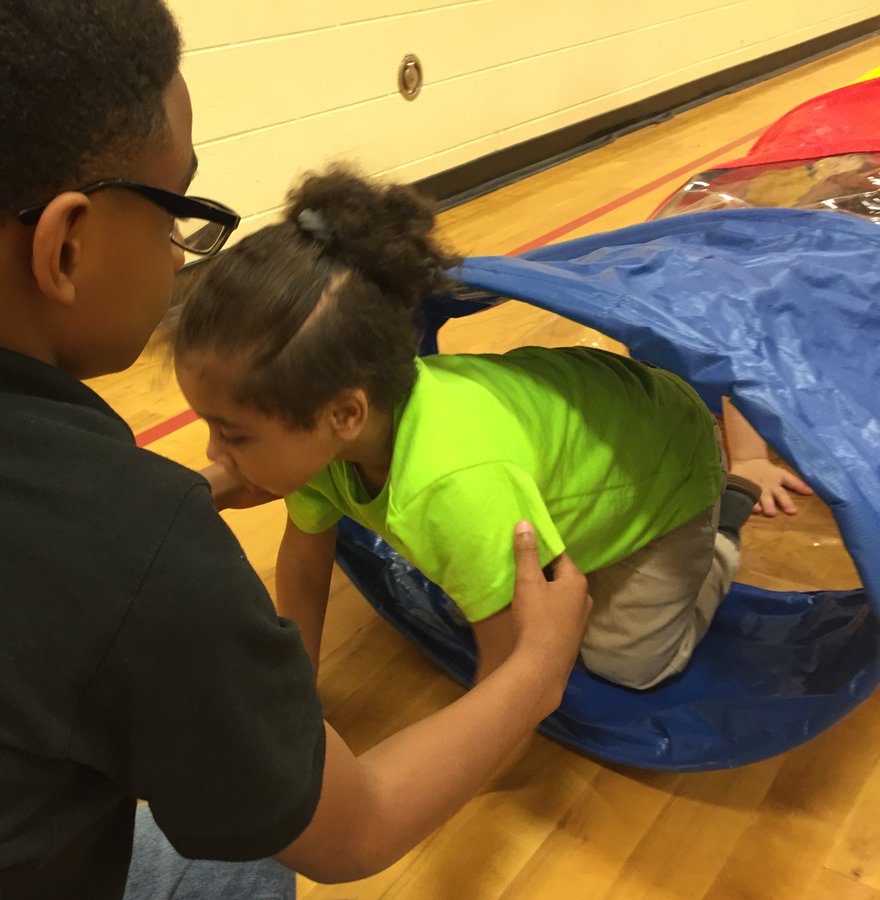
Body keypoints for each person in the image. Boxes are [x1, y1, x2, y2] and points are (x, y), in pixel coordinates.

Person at [0, 2, 590, 897]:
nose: (179, 250)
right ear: (65, 246)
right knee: (247, 851)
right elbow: (357, 830)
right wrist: (535, 674)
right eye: (175, 213)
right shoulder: (132, 535)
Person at [173, 166, 763, 691]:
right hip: (586, 449)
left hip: (669, 472)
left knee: (627, 666)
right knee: (483, 584)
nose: (212, 450)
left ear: (344, 414)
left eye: (233, 434)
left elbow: (512, 685)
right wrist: (294, 689)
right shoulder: (327, 434)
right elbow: (304, 558)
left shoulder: (453, 485)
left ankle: (723, 530)